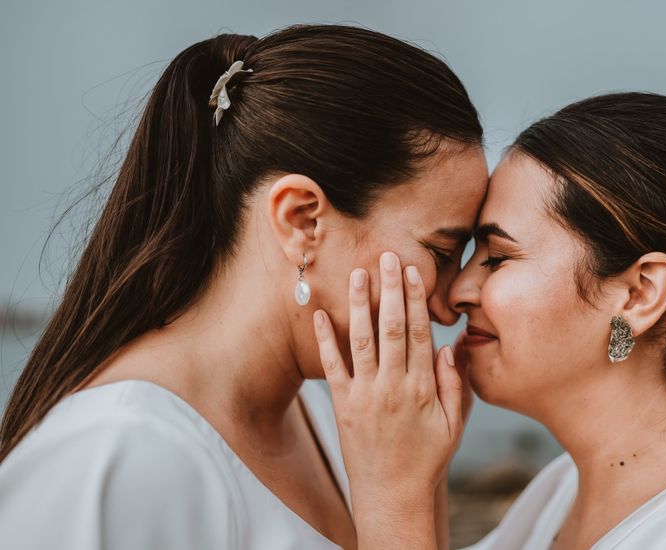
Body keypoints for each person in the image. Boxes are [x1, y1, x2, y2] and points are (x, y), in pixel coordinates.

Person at [0, 24, 488, 549]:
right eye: (440, 253)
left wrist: (419, 479)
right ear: (302, 220)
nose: (447, 307)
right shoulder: (119, 457)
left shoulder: (325, 420)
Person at [314, 92, 666, 549]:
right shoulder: (558, 492)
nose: (455, 291)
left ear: (640, 294)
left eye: (497, 257)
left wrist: (393, 496)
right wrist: (420, 476)